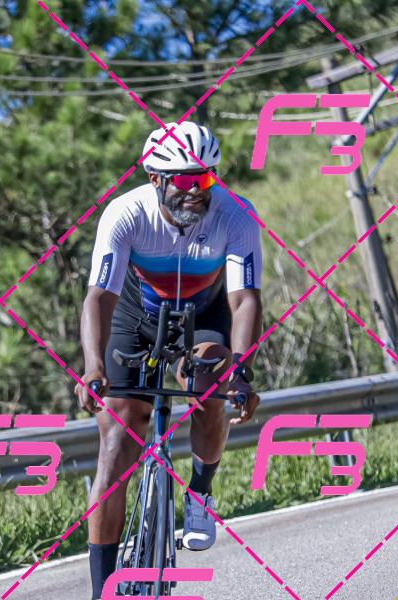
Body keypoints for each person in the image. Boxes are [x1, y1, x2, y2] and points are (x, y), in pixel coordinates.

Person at [75, 121, 263, 599]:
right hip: (137, 315)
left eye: (206, 178)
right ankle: (101, 590)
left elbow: (244, 300)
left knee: (209, 383)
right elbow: (99, 297)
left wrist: (240, 371)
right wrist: (93, 367)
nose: (197, 190)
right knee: (116, 444)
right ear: (155, 177)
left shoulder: (236, 215)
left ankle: (200, 491)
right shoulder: (125, 213)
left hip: (205, 314)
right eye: (184, 180)